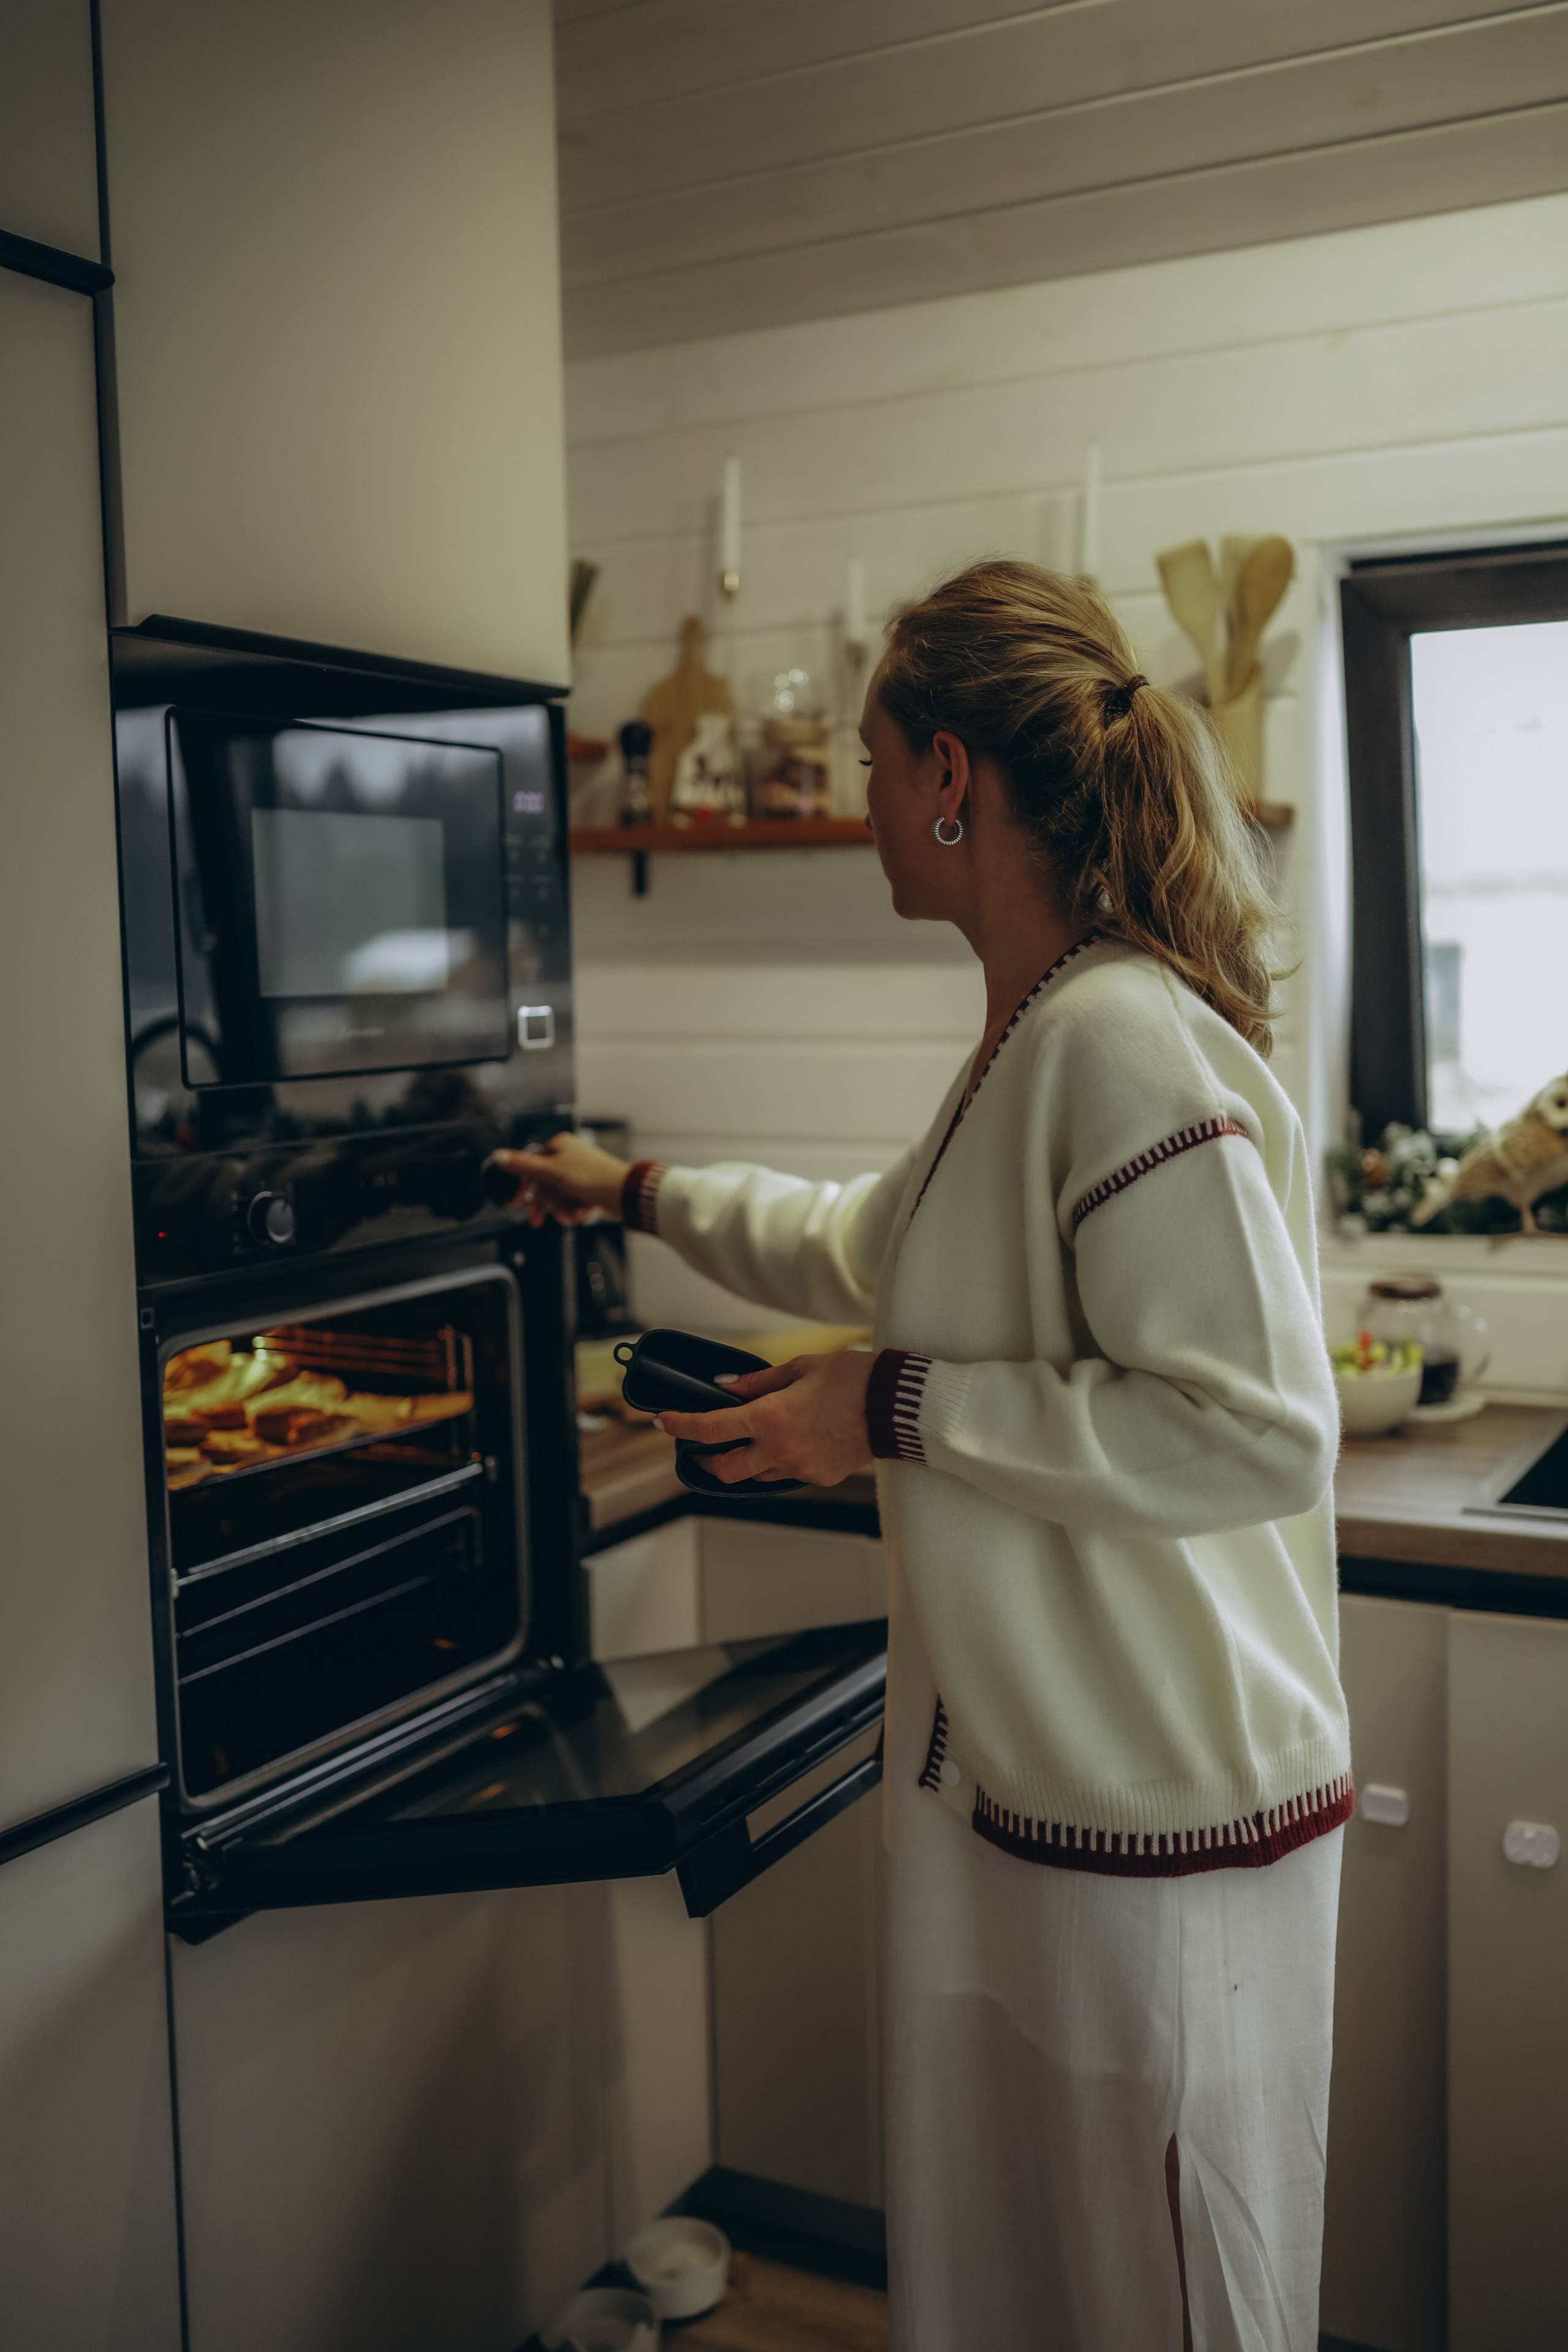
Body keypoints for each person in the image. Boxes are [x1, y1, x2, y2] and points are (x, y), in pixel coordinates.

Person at [496, 560, 1348, 2352]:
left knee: (1168, 2297)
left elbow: (1260, 1430)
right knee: (1044, 2281)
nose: (867, 803)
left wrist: (882, 1408)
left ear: (952, 776)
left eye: (879, 765)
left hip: (1158, 1815)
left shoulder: (1116, 1044)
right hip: (1041, 1793)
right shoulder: (1037, 1037)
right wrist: (632, 1191)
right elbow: (866, 1246)